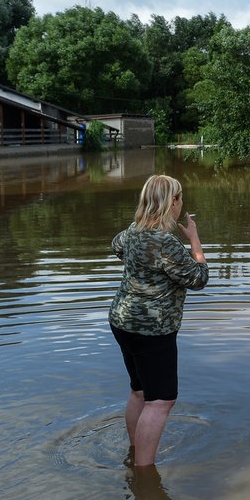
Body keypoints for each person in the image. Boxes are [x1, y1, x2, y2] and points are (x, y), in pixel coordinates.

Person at [109, 174, 209, 467]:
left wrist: (142, 268)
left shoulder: (133, 230)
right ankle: (144, 470)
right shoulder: (166, 242)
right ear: (171, 202)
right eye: (179, 198)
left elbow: (117, 247)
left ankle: (134, 452)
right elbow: (199, 278)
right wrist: (194, 239)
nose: (181, 204)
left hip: (122, 321)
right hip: (152, 330)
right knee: (161, 400)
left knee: (139, 391)